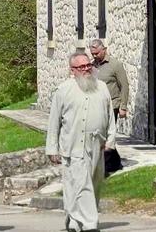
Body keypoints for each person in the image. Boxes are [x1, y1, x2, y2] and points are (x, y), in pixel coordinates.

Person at [47, 52, 116, 232]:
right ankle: (90, 224)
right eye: (81, 67)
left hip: (97, 145)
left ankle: (74, 221)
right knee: (82, 184)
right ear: (73, 70)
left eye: (88, 65)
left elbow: (109, 116)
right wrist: (52, 148)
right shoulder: (63, 90)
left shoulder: (102, 87)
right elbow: (54, 121)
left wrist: (111, 140)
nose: (86, 69)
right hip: (74, 146)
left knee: (93, 185)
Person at [89, 39, 129, 176]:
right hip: (96, 106)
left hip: (112, 105)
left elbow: (124, 86)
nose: (94, 56)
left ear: (104, 49)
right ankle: (114, 162)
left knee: (106, 135)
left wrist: (123, 107)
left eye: (96, 53)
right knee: (101, 134)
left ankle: (105, 166)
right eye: (92, 54)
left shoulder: (115, 65)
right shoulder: (92, 66)